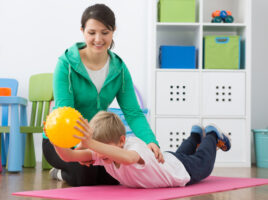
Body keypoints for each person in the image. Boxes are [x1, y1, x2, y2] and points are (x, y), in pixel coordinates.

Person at [42, 4, 163, 186]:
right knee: (85, 177)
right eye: (92, 32)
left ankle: (82, 169)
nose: (98, 39)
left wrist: (150, 141)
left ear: (113, 31)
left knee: (119, 176)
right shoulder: (65, 64)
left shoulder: (119, 69)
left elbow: (133, 112)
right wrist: (79, 148)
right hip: (62, 140)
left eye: (105, 32)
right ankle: (60, 172)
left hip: (96, 140)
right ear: (82, 31)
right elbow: (64, 111)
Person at [53, 111, 231, 188]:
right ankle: (194, 134)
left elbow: (129, 159)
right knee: (181, 154)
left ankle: (212, 135)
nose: (100, 153)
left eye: (104, 147)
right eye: (98, 147)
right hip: (170, 161)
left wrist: (90, 143)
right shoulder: (103, 154)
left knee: (204, 162)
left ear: (122, 140)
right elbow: (68, 156)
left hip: (183, 171)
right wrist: (55, 138)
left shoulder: (134, 146)